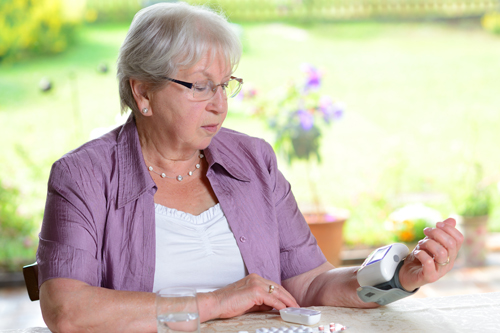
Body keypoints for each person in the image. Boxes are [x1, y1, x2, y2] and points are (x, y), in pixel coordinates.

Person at [37, 2, 464, 332]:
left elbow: (310, 284)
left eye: (225, 85)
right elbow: (67, 312)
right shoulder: (83, 177)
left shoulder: (254, 161)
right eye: (200, 85)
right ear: (143, 92)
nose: (219, 103)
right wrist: (215, 302)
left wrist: (398, 280)